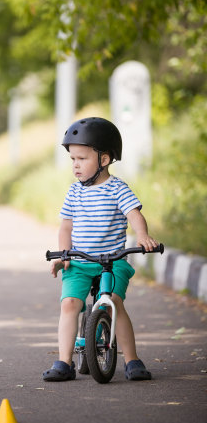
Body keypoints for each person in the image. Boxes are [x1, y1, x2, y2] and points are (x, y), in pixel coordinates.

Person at [43, 116, 158, 382]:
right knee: (70, 304)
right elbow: (66, 228)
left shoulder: (118, 189)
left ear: (104, 160)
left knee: (114, 304)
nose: (75, 165)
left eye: (81, 159)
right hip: (80, 261)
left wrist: (142, 235)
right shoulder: (74, 193)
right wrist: (64, 254)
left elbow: (134, 214)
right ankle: (63, 362)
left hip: (113, 261)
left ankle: (132, 360)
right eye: (72, 159)